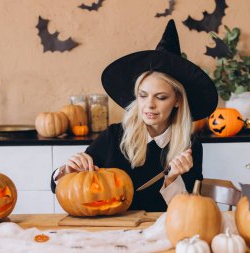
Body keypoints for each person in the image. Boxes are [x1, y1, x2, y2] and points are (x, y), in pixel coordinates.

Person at [51, 20, 218, 212]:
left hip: (161, 231)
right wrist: (67, 172)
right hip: (113, 231)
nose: (149, 105)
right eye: (143, 95)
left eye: (161, 97)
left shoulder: (189, 146)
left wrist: (172, 179)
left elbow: (188, 211)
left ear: (177, 101)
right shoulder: (114, 136)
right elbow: (66, 188)